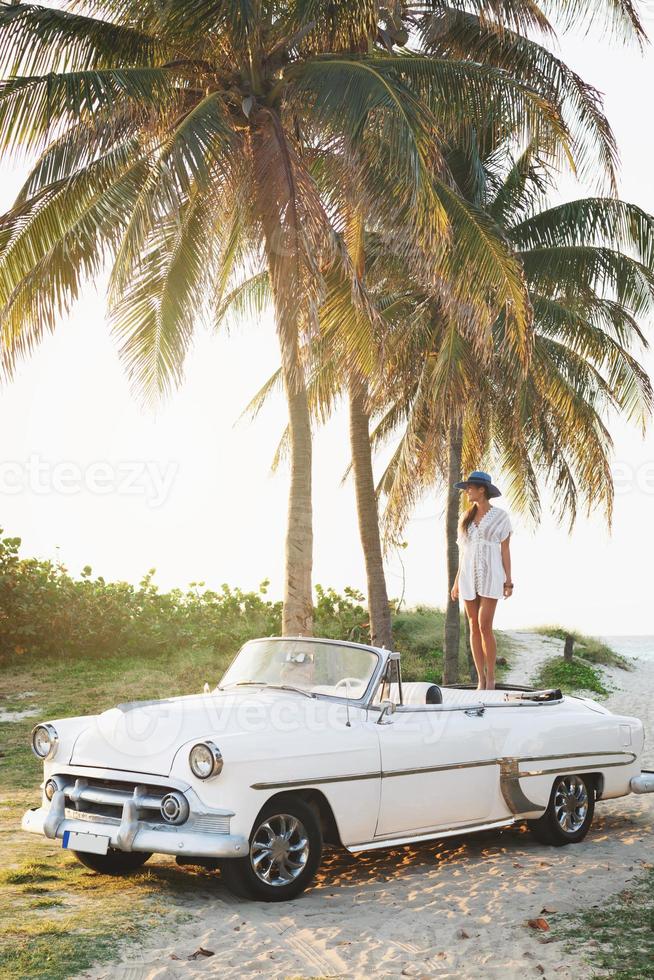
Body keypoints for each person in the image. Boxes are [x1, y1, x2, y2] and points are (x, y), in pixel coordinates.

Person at [450, 471, 513, 690]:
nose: (467, 491)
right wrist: (457, 581)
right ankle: (480, 679)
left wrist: (509, 580)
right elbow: (464, 551)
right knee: (473, 626)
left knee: (485, 624)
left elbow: (505, 550)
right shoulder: (465, 517)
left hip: (491, 574)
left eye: (470, 487)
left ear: (482, 489)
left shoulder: (501, 516)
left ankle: (492, 677)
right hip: (468, 575)